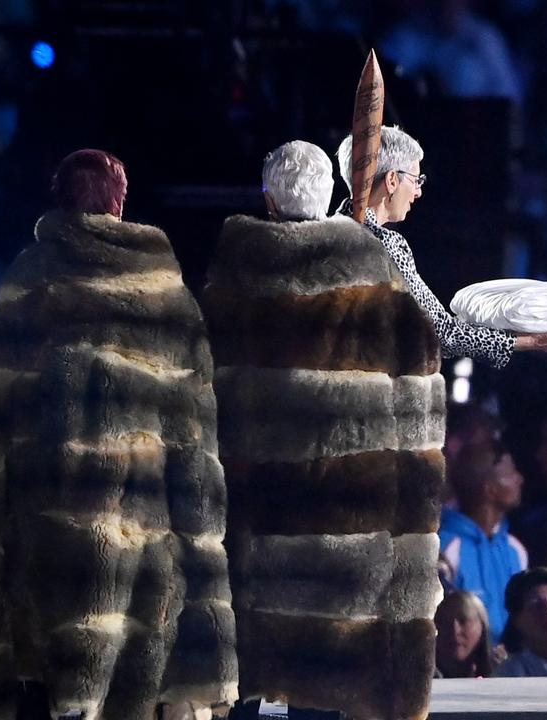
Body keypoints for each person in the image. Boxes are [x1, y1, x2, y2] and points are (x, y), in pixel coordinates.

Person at [0, 150, 236, 720]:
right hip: (145, 563)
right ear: (119, 203)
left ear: (61, 202)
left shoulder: (29, 281)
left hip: (40, 564)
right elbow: (196, 463)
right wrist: (205, 607)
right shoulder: (169, 300)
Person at [205, 140, 443, 720]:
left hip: (251, 512)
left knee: (242, 672)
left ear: (267, 200)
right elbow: (418, 392)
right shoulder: (375, 279)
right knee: (322, 679)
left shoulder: (228, 286)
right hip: (342, 517)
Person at [335, 126, 547, 367]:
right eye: (416, 179)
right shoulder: (385, 247)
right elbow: (443, 333)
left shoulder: (326, 231)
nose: (418, 192)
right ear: (392, 180)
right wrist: (533, 341)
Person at [439, 439, 527, 641]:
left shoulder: (516, 550)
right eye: (511, 473)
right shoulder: (445, 549)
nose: (520, 479)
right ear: (490, 489)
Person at [434, 591, 498, 678]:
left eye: (463, 621)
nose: (455, 631)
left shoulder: (505, 676)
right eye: (446, 623)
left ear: (482, 627)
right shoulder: (417, 680)